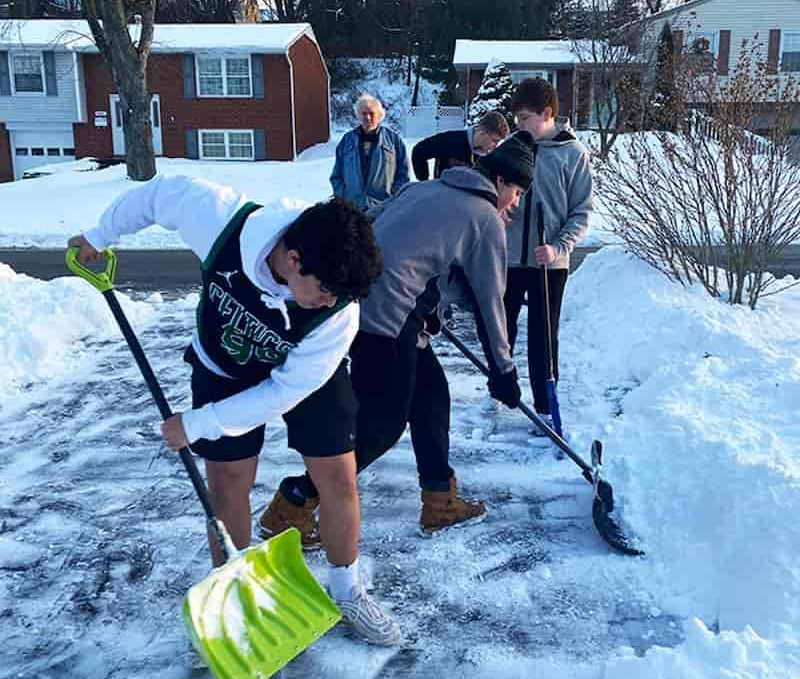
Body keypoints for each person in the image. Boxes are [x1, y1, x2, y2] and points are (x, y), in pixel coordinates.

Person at [67, 175, 401, 647]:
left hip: (304, 373)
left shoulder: (336, 315)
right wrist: (100, 236)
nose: (333, 302)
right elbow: (159, 195)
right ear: (293, 258)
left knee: (337, 478)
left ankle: (346, 589)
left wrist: (198, 423)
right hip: (222, 365)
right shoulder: (223, 220)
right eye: (326, 291)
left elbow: (279, 394)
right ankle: (234, 593)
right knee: (226, 484)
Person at [259, 132, 537, 540]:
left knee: (432, 396)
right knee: (381, 427)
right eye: (516, 192)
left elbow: (371, 222)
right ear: (500, 182)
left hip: (361, 306)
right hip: (387, 322)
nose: (515, 202)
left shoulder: (426, 188)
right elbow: (490, 300)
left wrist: (423, 294)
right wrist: (503, 370)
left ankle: (440, 498)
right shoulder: (483, 218)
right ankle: (295, 502)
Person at [503, 77, 593, 429]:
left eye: (525, 118)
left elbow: (581, 212)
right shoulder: (512, 146)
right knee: (501, 328)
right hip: (510, 257)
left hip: (549, 263)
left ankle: (544, 404)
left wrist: (557, 247)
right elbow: (489, 188)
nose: (519, 126)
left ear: (547, 113)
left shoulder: (573, 154)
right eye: (516, 119)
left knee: (543, 334)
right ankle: (499, 393)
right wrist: (499, 210)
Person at [330, 94, 410, 211]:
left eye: (371, 113)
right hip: (352, 208)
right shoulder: (347, 140)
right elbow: (336, 176)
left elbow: (403, 175)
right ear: (358, 115)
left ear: (379, 115)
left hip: (383, 207)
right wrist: (344, 198)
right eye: (363, 113)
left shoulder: (393, 140)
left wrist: (392, 197)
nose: (367, 117)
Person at [411, 110, 510, 181]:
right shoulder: (450, 140)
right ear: (482, 133)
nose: (495, 146)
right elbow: (419, 151)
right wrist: (424, 182)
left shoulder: (490, 158)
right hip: (442, 202)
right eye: (494, 141)